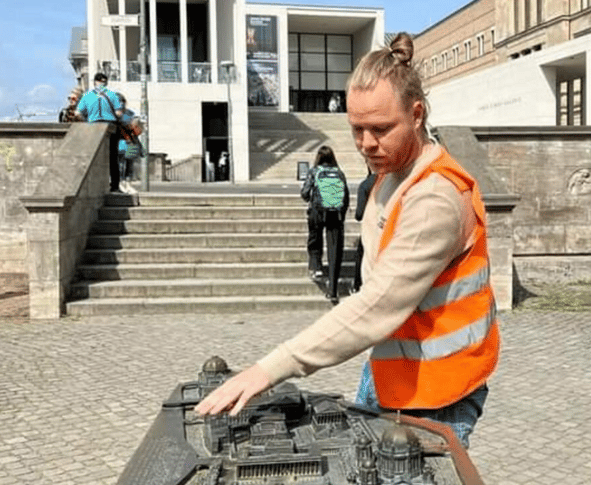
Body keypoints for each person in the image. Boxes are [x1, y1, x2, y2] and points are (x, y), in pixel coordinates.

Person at [195, 32, 499, 447]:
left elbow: (377, 305)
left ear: (416, 113)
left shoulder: (434, 199)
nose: (366, 144)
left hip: (438, 391)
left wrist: (268, 369)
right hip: (393, 372)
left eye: (380, 128)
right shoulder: (393, 172)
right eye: (356, 129)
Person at [300, 145, 350, 304]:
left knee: (315, 237)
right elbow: (346, 197)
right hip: (335, 214)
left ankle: (316, 267)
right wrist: (341, 212)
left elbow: (305, 193)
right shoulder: (339, 173)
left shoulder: (314, 171)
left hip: (317, 211)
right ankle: (333, 290)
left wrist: (311, 199)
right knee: (335, 249)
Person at [76, 72, 123, 193]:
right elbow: (118, 113)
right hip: (110, 126)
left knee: (93, 156)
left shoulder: (87, 96)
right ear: (106, 82)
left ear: (94, 82)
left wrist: (86, 120)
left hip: (94, 127)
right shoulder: (112, 95)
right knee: (113, 157)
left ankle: (94, 185)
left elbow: (77, 113)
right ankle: (115, 186)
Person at [351, 168, 376, 293]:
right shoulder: (395, 183)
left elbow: (359, 214)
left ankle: (357, 285)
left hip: (371, 230)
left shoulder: (366, 184)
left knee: (361, 254)